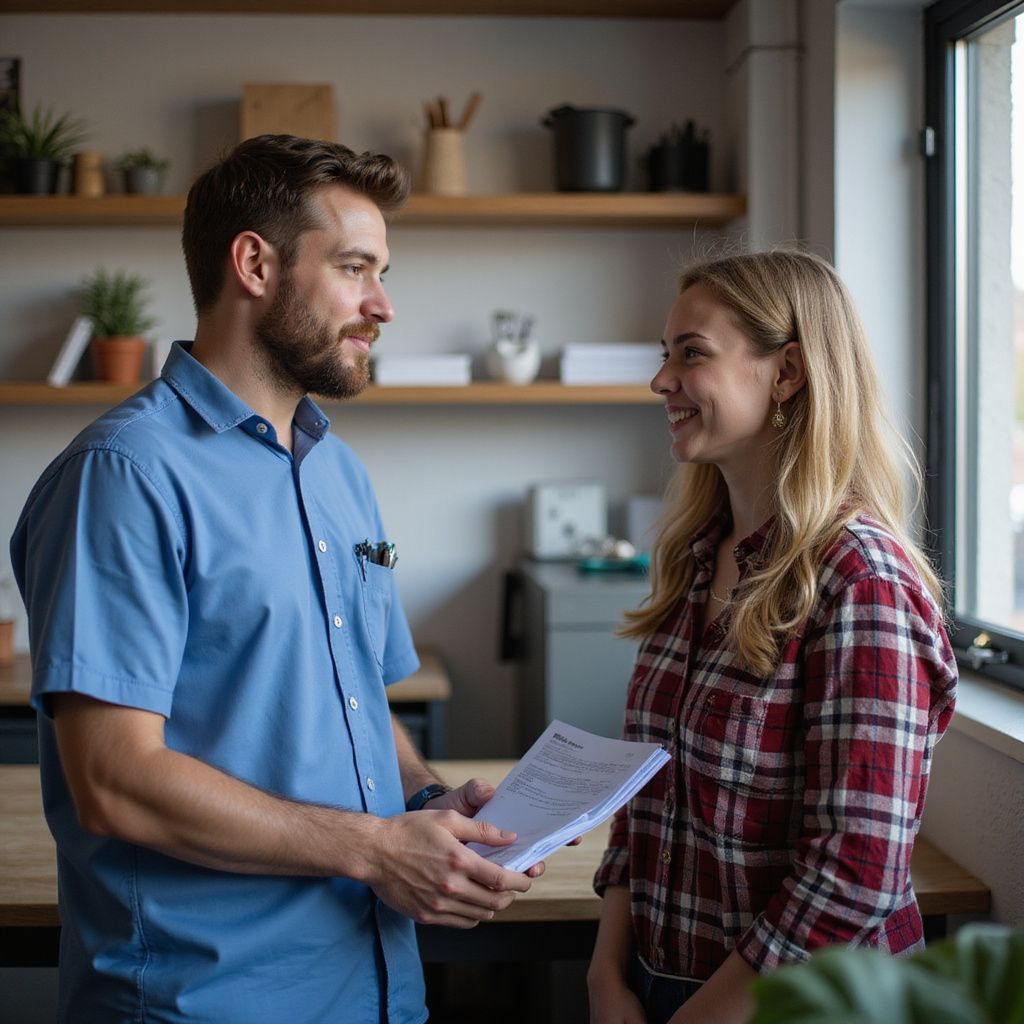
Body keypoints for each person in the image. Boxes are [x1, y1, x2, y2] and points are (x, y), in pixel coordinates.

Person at [10, 134, 538, 1024]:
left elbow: (365, 703)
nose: (384, 305)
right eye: (356, 268)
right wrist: (375, 849)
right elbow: (112, 778)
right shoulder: (126, 475)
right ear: (255, 263)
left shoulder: (339, 473)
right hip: (205, 1000)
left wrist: (428, 802)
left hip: (374, 990)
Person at [586, 249, 958, 1024]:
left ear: (787, 372)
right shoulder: (697, 557)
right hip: (660, 984)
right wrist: (605, 975)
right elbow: (645, 799)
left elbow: (855, 871)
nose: (661, 382)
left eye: (692, 354)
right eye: (665, 356)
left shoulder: (862, 583)